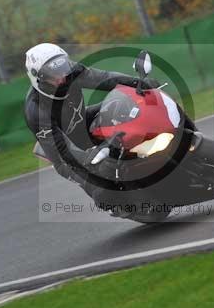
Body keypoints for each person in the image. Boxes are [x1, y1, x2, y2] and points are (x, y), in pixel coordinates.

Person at [23, 43, 159, 209]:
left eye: (62, 69)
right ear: (38, 79)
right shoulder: (36, 110)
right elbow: (62, 152)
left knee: (119, 102)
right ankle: (122, 205)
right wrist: (90, 156)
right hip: (64, 151)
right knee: (103, 192)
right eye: (53, 75)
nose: (61, 78)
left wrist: (138, 83)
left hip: (80, 120)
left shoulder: (72, 73)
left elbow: (105, 78)